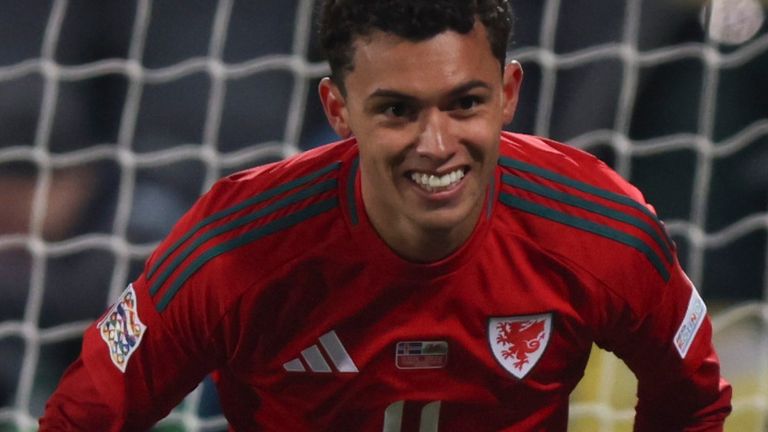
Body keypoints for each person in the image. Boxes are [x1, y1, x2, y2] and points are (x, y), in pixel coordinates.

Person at [39, 0, 732, 430]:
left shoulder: (599, 230)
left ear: (509, 93)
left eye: (465, 103)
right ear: (337, 109)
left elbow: (693, 403)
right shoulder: (236, 245)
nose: (437, 145)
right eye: (398, 110)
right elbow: (84, 418)